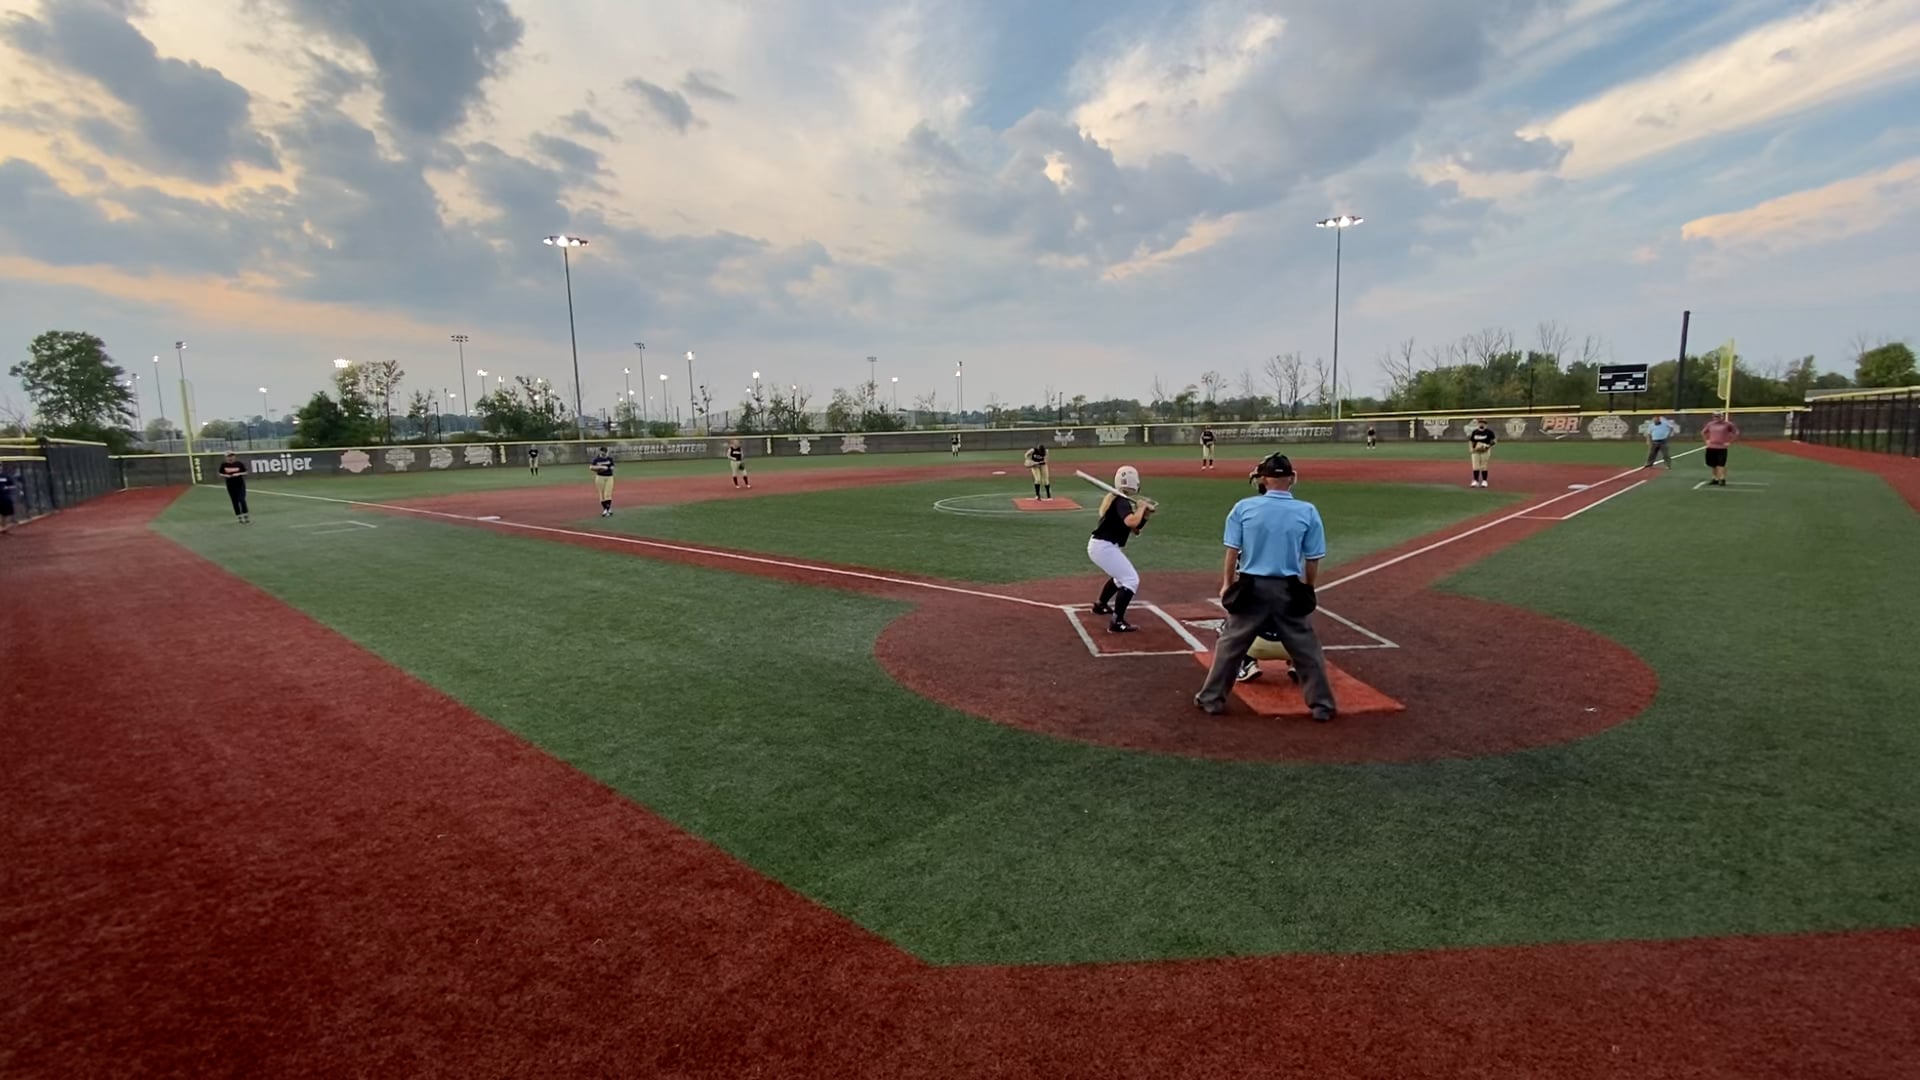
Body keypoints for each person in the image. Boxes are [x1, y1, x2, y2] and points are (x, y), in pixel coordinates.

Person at [1194, 453, 1336, 721]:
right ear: (1292, 479)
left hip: (1251, 587)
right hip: (1288, 588)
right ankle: (1322, 706)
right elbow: (1313, 558)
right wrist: (1307, 587)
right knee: (1307, 649)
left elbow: (1232, 552)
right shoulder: (1307, 511)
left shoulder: (1244, 508)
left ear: (1264, 479)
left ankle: (1211, 699)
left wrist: (1227, 584)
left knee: (1230, 646)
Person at [1087, 465, 1155, 633]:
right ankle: (1116, 622)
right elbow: (1131, 521)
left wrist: (1145, 515)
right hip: (1103, 547)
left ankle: (1100, 605)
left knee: (1121, 578)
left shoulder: (1120, 500)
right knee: (1131, 580)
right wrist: (1141, 508)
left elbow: (1135, 528)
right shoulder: (1121, 501)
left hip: (1102, 546)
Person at [1701, 412, 1741, 486]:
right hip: (1711, 447)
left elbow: (1736, 432)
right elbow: (1703, 432)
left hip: (1722, 447)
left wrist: (1729, 442)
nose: (1717, 418)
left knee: (1721, 463)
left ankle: (1722, 479)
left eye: (1719, 416)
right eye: (1715, 416)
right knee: (1713, 464)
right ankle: (1715, 478)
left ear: (1722, 416)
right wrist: (1706, 440)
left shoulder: (1728, 424)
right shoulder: (1710, 424)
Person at [217, 452, 250, 523]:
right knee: (235, 501)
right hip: (230, 485)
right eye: (229, 456)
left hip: (240, 484)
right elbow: (220, 474)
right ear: (226, 458)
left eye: (232, 456)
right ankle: (239, 517)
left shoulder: (239, 464)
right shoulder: (224, 465)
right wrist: (226, 475)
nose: (231, 458)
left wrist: (238, 473)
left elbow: (246, 472)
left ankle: (245, 515)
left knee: (242, 499)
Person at [1468, 419, 1496, 488]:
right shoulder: (1475, 432)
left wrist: (1488, 446)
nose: (1481, 424)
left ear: (1486, 424)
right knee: (1475, 466)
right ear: (1478, 424)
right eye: (1480, 423)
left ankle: (1484, 481)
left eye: (1483, 423)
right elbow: (1471, 441)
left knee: (1484, 466)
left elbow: (1494, 441)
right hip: (1476, 451)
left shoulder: (1489, 432)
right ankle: (1475, 480)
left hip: (1484, 451)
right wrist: (1471, 448)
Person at [589, 446, 615, 516]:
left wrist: (610, 468)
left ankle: (608, 509)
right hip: (600, 477)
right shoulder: (597, 459)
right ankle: (605, 509)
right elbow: (591, 467)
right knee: (602, 493)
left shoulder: (609, 459)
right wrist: (601, 467)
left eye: (605, 452)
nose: (604, 453)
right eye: (603, 452)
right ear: (600, 452)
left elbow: (612, 467)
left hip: (609, 477)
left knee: (608, 494)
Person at [0, 466, 18, 535]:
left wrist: (6, 487)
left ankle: (4, 527)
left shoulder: (5, 476)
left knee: (6, 513)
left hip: (4, 497)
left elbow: (12, 485)